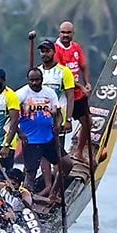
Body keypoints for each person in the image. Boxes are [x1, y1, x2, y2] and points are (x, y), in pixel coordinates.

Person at [10, 68, 72, 202]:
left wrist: (58, 124)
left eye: (37, 80)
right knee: (30, 173)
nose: (34, 83)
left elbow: (58, 113)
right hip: (31, 141)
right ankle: (27, 202)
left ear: (42, 80)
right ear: (28, 80)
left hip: (49, 139)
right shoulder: (20, 94)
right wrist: (19, 132)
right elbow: (11, 119)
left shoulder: (49, 93)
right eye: (31, 80)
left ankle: (54, 193)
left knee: (67, 164)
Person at [55, 21, 93, 162]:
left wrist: (87, 82)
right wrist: (81, 86)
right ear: (59, 33)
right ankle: (59, 162)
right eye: (63, 32)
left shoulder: (76, 47)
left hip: (78, 96)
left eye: (68, 33)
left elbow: (83, 65)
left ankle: (78, 152)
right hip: (65, 97)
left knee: (88, 122)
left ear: (72, 34)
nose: (65, 35)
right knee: (61, 129)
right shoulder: (56, 50)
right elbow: (64, 77)